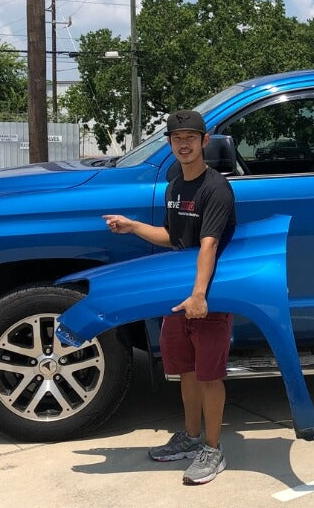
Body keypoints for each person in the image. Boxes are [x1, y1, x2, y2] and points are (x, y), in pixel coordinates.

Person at [102, 109, 236, 485]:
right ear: (170, 143)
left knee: (210, 375)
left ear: (205, 141)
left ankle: (213, 449)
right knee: (186, 372)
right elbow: (174, 237)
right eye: (178, 138)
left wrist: (199, 295)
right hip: (178, 292)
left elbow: (208, 245)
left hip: (206, 294)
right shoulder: (175, 183)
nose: (184, 144)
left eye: (192, 137)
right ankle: (192, 438)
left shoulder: (216, 188)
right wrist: (132, 227)